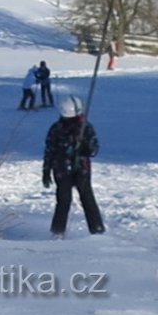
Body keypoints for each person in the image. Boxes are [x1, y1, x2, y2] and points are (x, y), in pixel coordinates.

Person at [42, 96, 104, 236]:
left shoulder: (85, 127)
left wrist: (85, 147)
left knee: (87, 198)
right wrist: (46, 170)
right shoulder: (57, 129)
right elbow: (50, 150)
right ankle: (58, 232)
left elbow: (94, 149)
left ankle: (97, 230)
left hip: (81, 168)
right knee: (64, 200)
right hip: (62, 169)